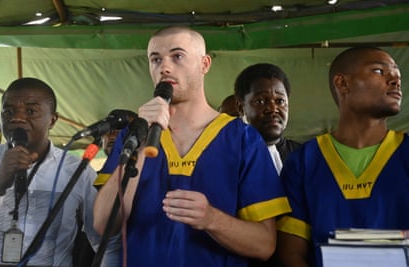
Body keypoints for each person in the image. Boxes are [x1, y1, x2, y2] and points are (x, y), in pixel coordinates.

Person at [93, 26, 291, 267]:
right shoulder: (132, 135)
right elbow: (103, 224)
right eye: (155, 59)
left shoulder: (243, 139)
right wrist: (142, 142)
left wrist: (211, 219)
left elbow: (265, 245)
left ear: (205, 64)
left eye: (177, 56)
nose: (164, 67)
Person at [275, 46, 409, 267]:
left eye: (397, 74)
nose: (395, 80)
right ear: (342, 83)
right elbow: (291, 252)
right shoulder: (302, 163)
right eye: (379, 71)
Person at [0, 77, 103, 266]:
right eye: (8, 111)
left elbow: (105, 242)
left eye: (30, 111)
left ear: (53, 120)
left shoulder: (78, 171)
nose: (17, 118)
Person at [234, 63, 301, 175]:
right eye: (261, 101)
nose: (273, 108)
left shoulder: (304, 158)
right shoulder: (228, 159)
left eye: (280, 101)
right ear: (241, 108)